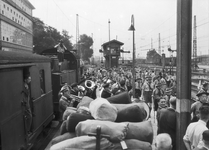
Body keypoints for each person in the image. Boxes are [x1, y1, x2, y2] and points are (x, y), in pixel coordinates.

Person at [22, 70, 33, 135]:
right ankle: (27, 131)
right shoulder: (24, 86)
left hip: (27, 103)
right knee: (29, 116)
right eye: (29, 79)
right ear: (25, 79)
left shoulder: (26, 85)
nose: (30, 80)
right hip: (26, 105)